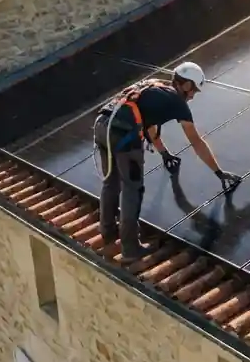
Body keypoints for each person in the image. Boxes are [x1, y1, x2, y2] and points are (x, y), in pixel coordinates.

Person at [93, 62, 241, 260]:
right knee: (132, 188)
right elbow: (196, 141)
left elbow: (149, 124)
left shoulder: (155, 86)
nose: (192, 96)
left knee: (111, 183)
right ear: (187, 85)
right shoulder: (177, 103)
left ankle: (108, 232)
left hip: (102, 126)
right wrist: (218, 172)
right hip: (123, 136)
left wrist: (163, 152)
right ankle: (130, 249)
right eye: (194, 91)